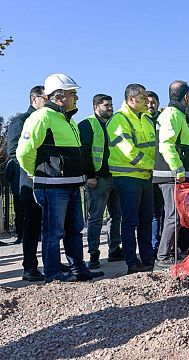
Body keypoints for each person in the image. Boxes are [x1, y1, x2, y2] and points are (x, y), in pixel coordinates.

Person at [16, 73, 104, 282]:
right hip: (52, 186)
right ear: (58, 96)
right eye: (72, 93)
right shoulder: (41, 117)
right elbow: (23, 152)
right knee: (53, 233)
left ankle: (78, 270)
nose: (76, 97)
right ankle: (53, 275)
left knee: (75, 230)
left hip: (72, 186)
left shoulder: (68, 120)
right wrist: (35, 174)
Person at [107, 83, 156, 274]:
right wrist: (154, 165)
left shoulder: (146, 118)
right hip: (128, 177)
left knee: (146, 219)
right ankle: (131, 262)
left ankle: (147, 259)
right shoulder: (119, 120)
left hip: (145, 177)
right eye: (143, 98)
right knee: (130, 221)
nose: (147, 101)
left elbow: (153, 146)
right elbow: (129, 151)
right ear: (131, 100)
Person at [153, 80, 189, 269]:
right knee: (173, 216)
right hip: (171, 175)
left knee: (175, 216)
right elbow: (166, 144)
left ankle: (169, 254)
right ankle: (163, 258)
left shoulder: (175, 114)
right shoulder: (172, 115)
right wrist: (178, 169)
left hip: (172, 174)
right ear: (186, 97)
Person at [5, 85, 46, 281]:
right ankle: (29, 266)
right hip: (29, 179)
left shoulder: (50, 120)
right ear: (34, 99)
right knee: (31, 224)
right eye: (46, 98)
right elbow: (13, 151)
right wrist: (34, 168)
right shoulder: (20, 121)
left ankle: (51, 260)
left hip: (50, 180)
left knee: (50, 224)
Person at [78, 94, 122, 269]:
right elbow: (85, 151)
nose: (110, 108)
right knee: (95, 218)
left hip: (115, 176)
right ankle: (94, 254)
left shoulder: (114, 124)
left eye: (111, 105)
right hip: (98, 179)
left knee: (116, 216)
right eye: (106, 105)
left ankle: (114, 249)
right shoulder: (88, 124)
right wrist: (90, 175)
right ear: (96, 107)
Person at [146, 91, 164, 253]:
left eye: (153, 102)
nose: (150, 105)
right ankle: (153, 245)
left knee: (163, 211)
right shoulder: (141, 120)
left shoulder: (163, 119)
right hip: (146, 172)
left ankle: (164, 244)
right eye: (148, 102)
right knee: (152, 213)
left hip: (163, 172)